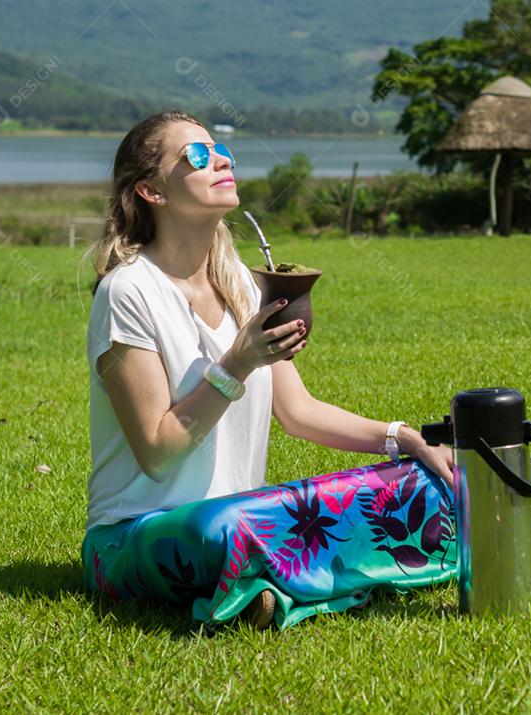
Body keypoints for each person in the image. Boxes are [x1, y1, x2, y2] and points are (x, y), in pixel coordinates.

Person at [80, 110, 457, 630]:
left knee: (416, 482)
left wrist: (403, 439)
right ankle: (307, 580)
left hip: (245, 515)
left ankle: (271, 585)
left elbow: (298, 412)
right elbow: (158, 450)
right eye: (196, 155)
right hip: (135, 537)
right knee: (228, 531)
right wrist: (237, 362)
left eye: (220, 151)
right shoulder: (128, 293)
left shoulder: (236, 280)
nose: (220, 161)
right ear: (152, 191)